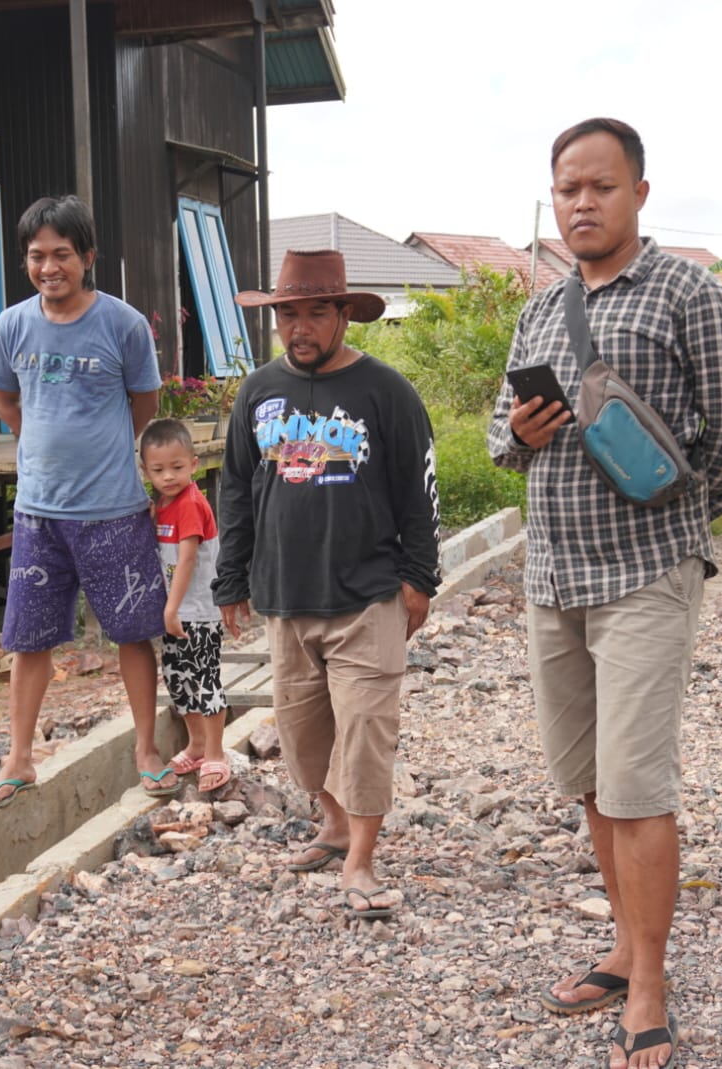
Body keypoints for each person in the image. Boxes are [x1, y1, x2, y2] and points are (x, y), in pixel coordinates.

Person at [488, 119, 722, 1069]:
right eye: (568, 188)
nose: (582, 203)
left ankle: (648, 981)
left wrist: (679, 529)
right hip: (553, 575)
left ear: (640, 192)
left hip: (645, 575)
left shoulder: (688, 290)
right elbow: (499, 441)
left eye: (601, 186)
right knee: (591, 782)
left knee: (640, 786)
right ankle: (621, 943)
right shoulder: (540, 310)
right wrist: (523, 434)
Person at [215, 249, 440, 921]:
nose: (300, 327)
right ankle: (334, 822)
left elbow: (419, 490)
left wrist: (419, 578)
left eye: (316, 312)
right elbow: (235, 488)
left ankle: (361, 859)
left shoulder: (386, 391)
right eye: (288, 313)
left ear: (344, 314)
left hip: (367, 593)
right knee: (304, 735)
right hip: (286, 594)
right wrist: (231, 577)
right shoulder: (257, 393)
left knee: (367, 730)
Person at [0, 194, 174, 809]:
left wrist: (102, 448)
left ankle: (145, 749)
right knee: (28, 640)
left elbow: (145, 404)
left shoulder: (121, 324)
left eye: (62, 254)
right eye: (37, 256)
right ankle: (19, 758)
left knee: (133, 633)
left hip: (113, 509)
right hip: (39, 512)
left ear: (87, 257)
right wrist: (40, 445)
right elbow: (5, 399)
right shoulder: (12, 325)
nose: (48, 266)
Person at [140, 418, 231, 792]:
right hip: (176, 612)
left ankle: (215, 752)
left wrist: (171, 608)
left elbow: (188, 559)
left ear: (193, 464)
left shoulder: (191, 503)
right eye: (158, 470)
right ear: (145, 470)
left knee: (205, 680)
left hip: (198, 612)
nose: (168, 476)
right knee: (180, 682)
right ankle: (195, 745)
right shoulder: (164, 504)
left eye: (177, 467)